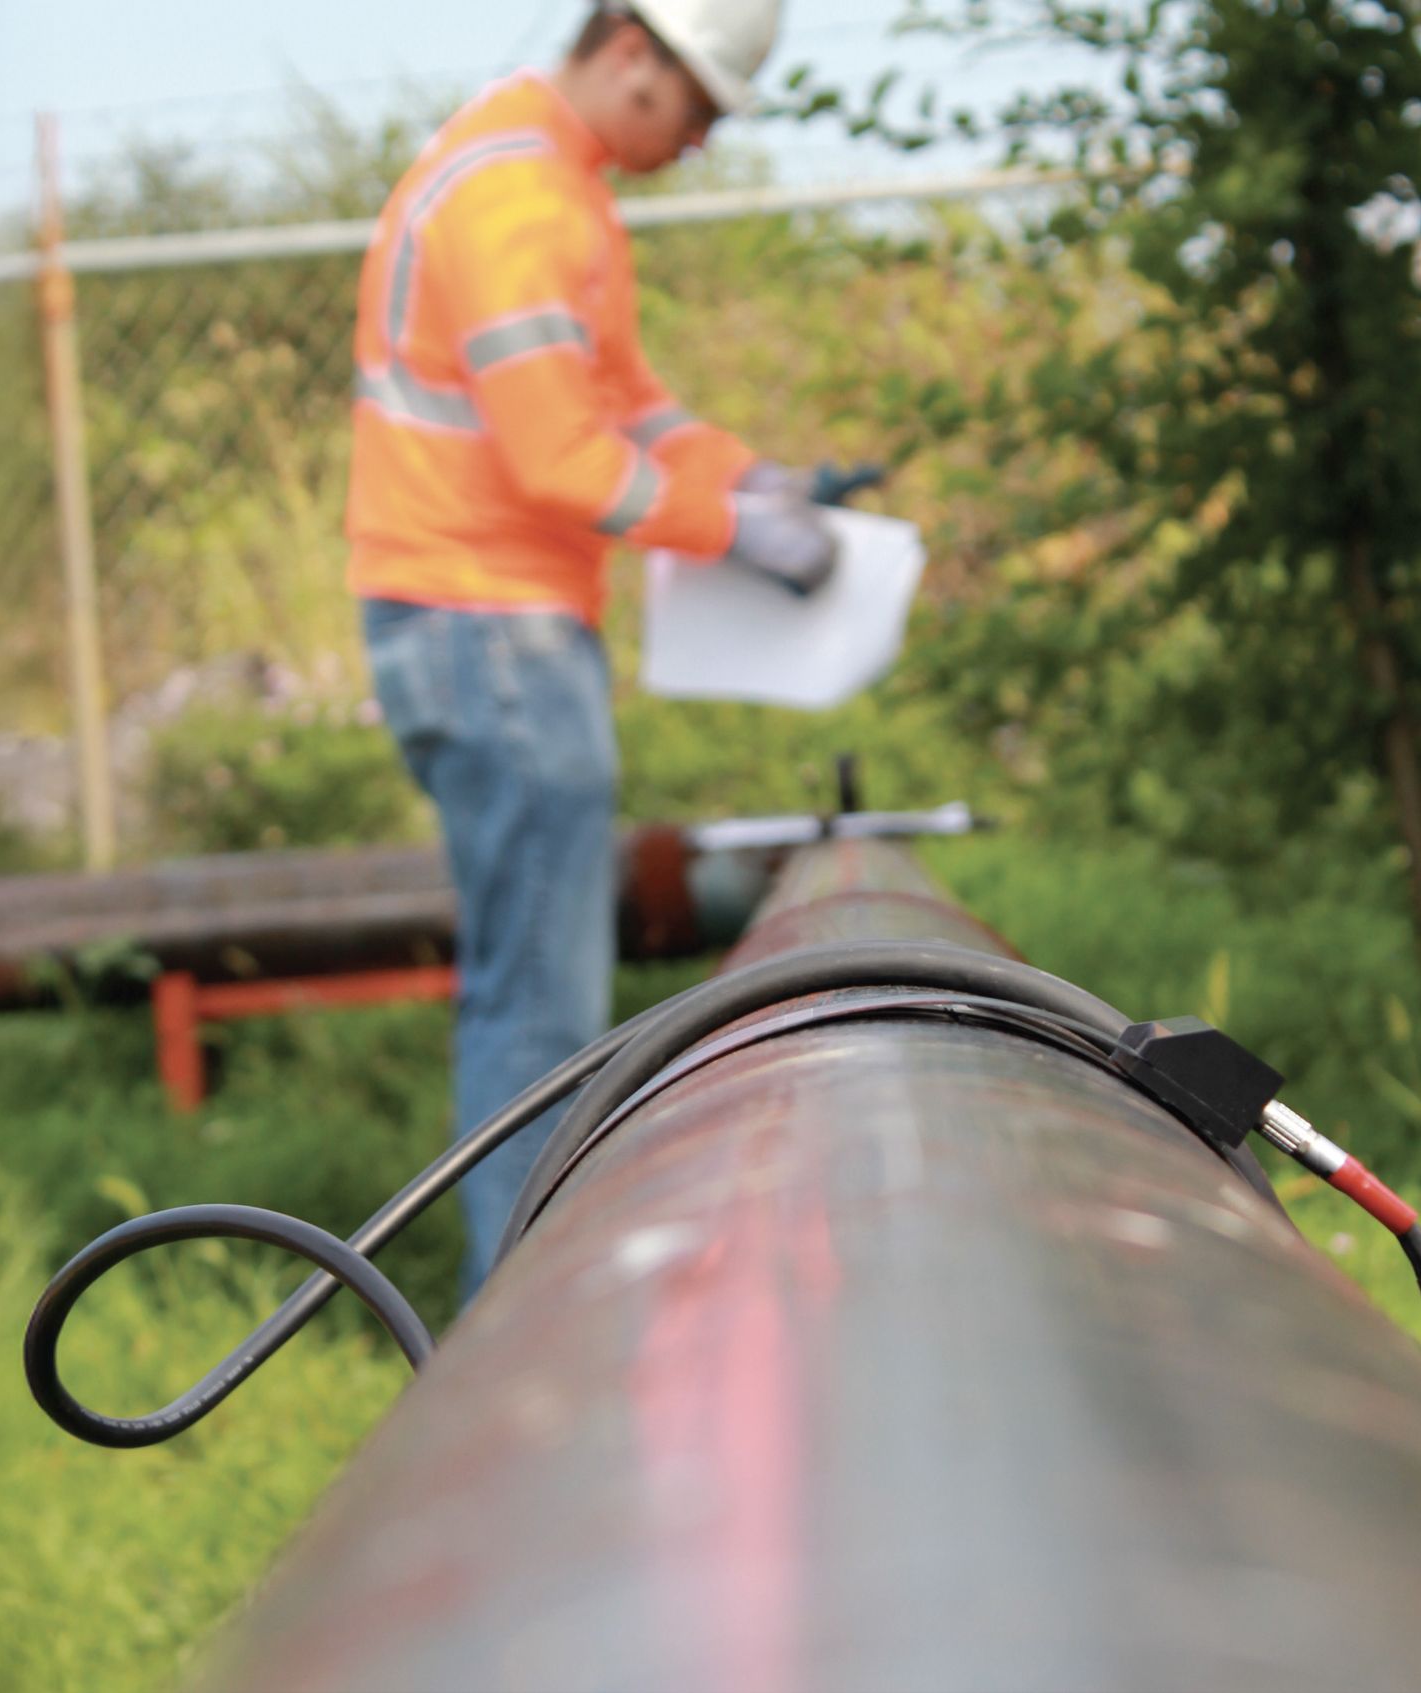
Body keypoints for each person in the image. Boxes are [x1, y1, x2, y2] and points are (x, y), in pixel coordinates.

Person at [350, 0, 843, 1302]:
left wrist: (760, 480)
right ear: (633, 48)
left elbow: (625, 404)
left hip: (490, 627)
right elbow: (561, 459)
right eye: (695, 108)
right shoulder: (514, 196)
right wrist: (739, 529)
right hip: (487, 628)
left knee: (542, 993)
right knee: (538, 1012)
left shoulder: (547, 178)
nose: (695, 144)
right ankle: (517, 1330)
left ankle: (519, 1312)